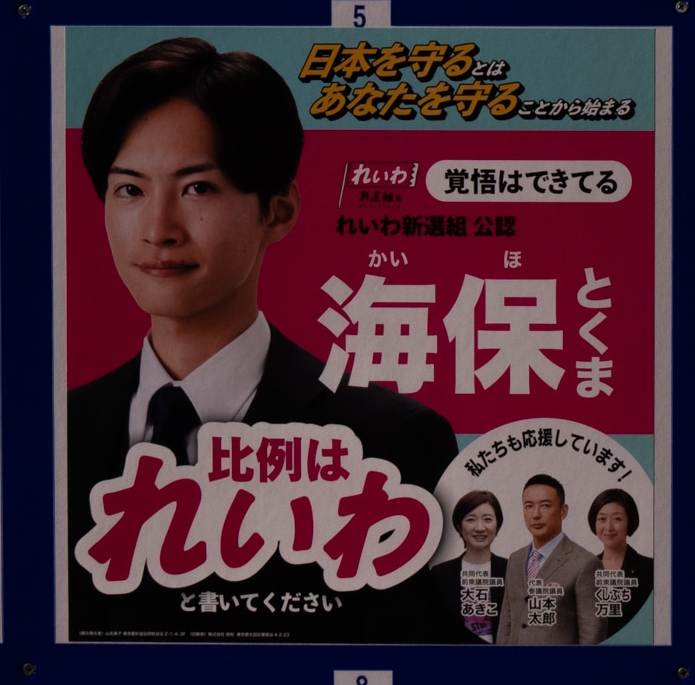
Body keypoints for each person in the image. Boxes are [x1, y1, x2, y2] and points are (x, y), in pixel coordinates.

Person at [65, 36, 460, 639]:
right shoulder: (50, 435)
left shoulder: (392, 441)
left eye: (197, 187)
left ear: (277, 212)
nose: (157, 229)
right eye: (129, 189)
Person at [491, 472, 596, 645]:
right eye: (528, 506)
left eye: (545, 506)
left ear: (563, 511)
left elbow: (591, 634)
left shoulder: (585, 563)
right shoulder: (515, 559)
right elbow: (506, 622)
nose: (536, 514)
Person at [581, 485, 653, 639]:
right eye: (602, 519)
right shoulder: (583, 569)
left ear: (630, 521)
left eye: (617, 519)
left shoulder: (650, 569)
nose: (608, 527)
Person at [445, 490, 507, 641]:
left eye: (487, 519)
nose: (480, 528)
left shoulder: (512, 570)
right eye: (471, 519)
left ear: (497, 524)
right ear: (459, 526)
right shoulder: (441, 574)